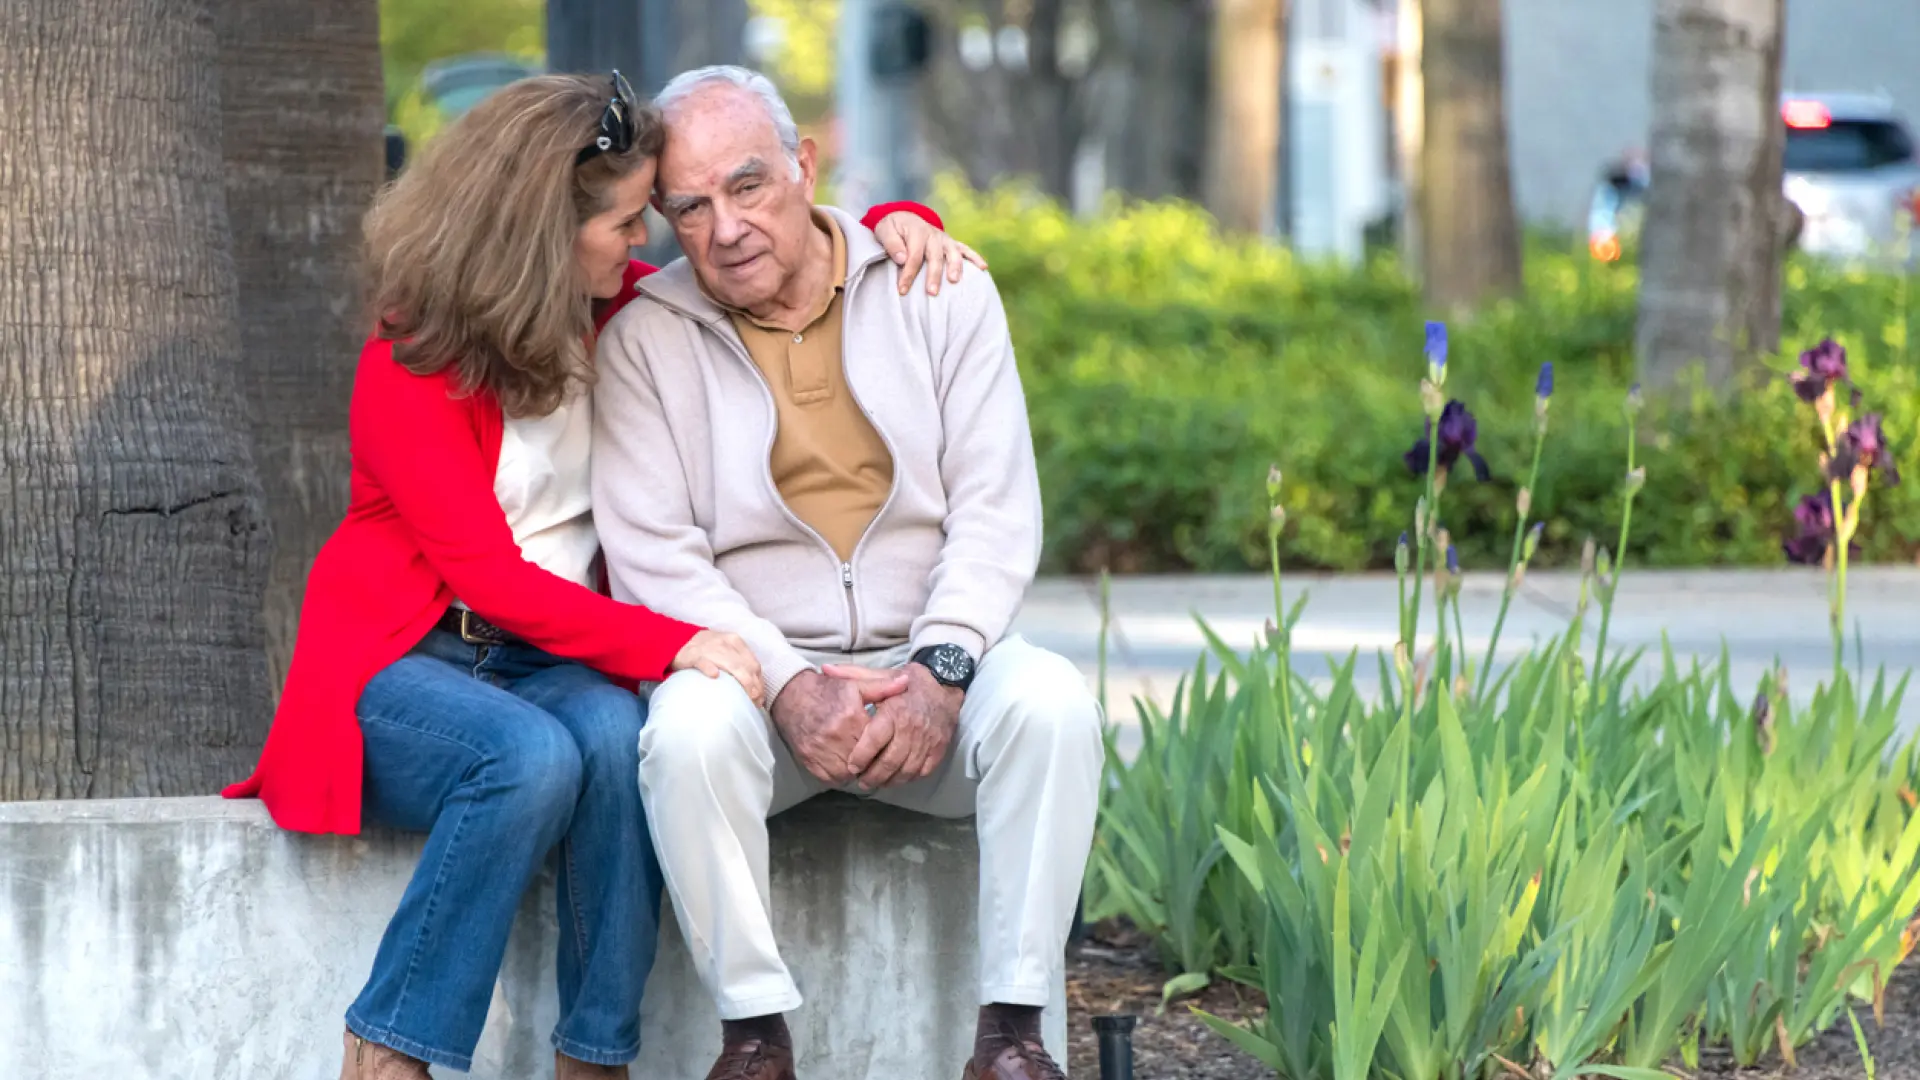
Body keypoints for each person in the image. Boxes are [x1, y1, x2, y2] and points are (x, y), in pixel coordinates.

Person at [218, 72, 979, 1080]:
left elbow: (772, 247)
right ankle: (387, 1046)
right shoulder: (411, 364)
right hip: (405, 662)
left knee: (623, 740)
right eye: (626, 223)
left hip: (552, 660)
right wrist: (679, 641)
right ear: (544, 229)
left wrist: (895, 225)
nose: (646, 243)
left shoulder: (610, 309)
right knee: (526, 758)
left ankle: (595, 1058)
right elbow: (490, 578)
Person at [591, 66, 1103, 1080]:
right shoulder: (645, 340)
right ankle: (754, 1037)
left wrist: (943, 669)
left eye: (748, 188)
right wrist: (787, 686)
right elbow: (657, 556)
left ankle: (1012, 1035)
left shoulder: (940, 288)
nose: (726, 227)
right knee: (685, 730)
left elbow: (997, 508)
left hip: (931, 674)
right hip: (765, 690)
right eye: (687, 208)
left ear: (804, 167)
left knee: (1050, 702)